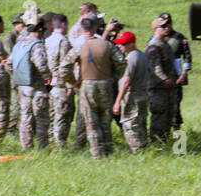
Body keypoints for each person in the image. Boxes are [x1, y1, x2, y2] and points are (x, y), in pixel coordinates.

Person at [64, 16, 119, 157]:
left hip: (87, 85)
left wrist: (73, 82)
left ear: (82, 29)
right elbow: (122, 61)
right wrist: (114, 77)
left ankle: (97, 154)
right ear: (95, 27)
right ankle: (108, 151)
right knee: (105, 120)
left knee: (91, 121)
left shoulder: (79, 46)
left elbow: (64, 67)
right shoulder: (106, 44)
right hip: (105, 84)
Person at [11, 19, 51, 150]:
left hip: (22, 85)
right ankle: (42, 147)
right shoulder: (37, 45)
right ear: (40, 29)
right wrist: (47, 76)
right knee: (41, 117)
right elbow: (41, 64)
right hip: (36, 86)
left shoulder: (19, 44)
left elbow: (9, 63)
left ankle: (26, 146)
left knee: (25, 117)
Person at [113, 31, 151, 150]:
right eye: (119, 44)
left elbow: (126, 81)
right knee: (141, 124)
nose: (120, 46)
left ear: (132, 44)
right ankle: (144, 148)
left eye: (123, 44)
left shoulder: (131, 58)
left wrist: (117, 101)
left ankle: (137, 151)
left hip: (133, 97)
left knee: (131, 125)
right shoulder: (142, 55)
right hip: (143, 95)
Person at [154, 12, 192, 128]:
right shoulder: (155, 39)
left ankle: (176, 132)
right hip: (159, 77)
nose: (167, 27)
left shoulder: (179, 38)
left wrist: (184, 73)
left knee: (175, 105)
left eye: (169, 23)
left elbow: (187, 56)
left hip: (175, 76)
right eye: (164, 25)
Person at [145, 18, 179, 142]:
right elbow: (154, 66)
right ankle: (156, 142)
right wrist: (165, 79)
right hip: (158, 88)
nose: (167, 27)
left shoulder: (165, 44)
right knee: (159, 115)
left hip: (168, 87)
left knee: (168, 115)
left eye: (167, 25)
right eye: (163, 26)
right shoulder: (154, 46)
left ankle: (164, 140)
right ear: (155, 29)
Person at [45, 13, 75, 145]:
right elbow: (65, 65)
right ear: (63, 24)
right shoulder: (63, 41)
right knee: (63, 116)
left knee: (52, 115)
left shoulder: (47, 40)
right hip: (61, 84)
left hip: (50, 84)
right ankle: (60, 144)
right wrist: (69, 85)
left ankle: (51, 141)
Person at [2, 11, 26, 134]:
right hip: (12, 74)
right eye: (22, 24)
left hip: (19, 73)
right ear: (16, 24)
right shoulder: (10, 38)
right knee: (15, 103)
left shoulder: (21, 36)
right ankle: (12, 129)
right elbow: (11, 56)